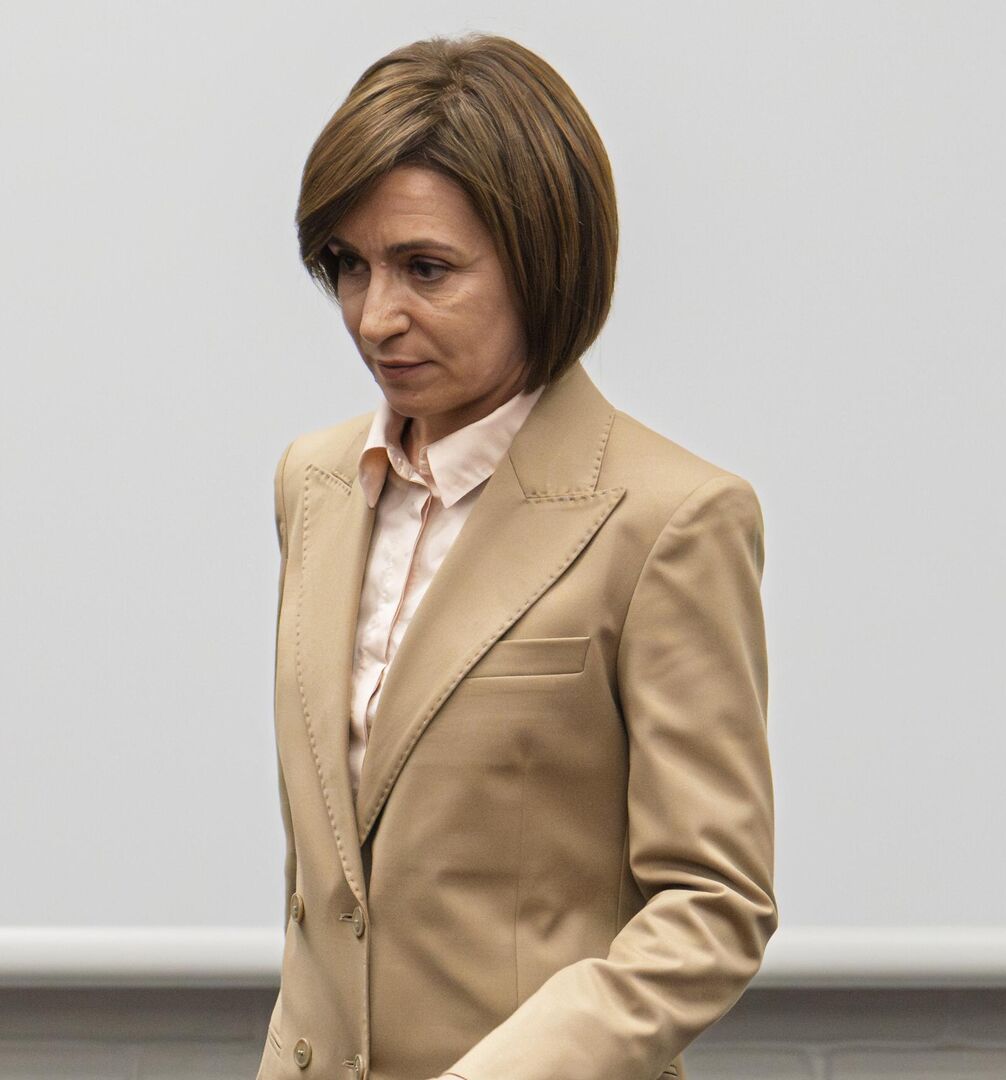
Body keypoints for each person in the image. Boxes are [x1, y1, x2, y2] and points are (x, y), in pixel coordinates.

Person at [264, 31, 776, 1080]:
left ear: (543, 261)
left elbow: (713, 904)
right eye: (350, 266)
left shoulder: (671, 520)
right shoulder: (314, 484)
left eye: (426, 269)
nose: (375, 316)